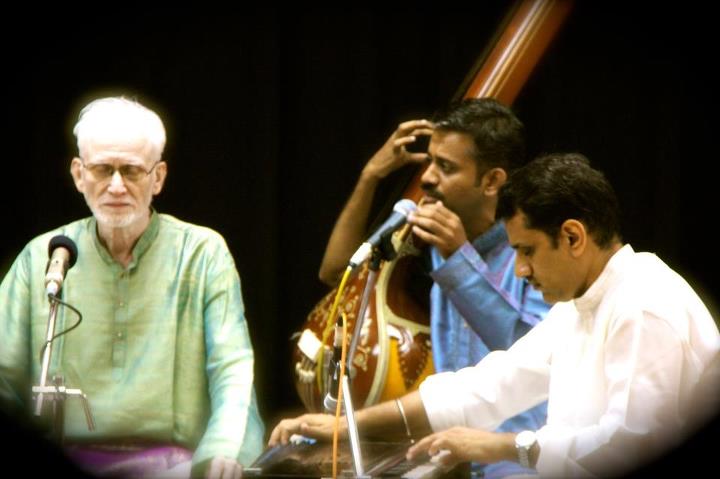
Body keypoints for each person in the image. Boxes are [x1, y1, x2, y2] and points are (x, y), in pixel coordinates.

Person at [270, 153, 720, 477]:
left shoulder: (642, 304)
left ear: (572, 236)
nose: (521, 270)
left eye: (527, 251)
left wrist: (500, 446)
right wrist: (347, 425)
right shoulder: (583, 302)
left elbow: (630, 448)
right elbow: (490, 385)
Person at [0, 96, 264, 478]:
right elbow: (4, 374)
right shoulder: (42, 257)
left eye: (132, 171)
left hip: (176, 465)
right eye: (103, 169)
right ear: (78, 174)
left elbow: (232, 368)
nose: (117, 186)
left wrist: (220, 453)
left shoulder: (202, 253)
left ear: (158, 177)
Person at [318, 98, 550, 477]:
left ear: (492, 181)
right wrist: (370, 176)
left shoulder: (532, 250)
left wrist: (460, 260)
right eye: (429, 161)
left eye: (445, 167)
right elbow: (337, 273)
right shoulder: (437, 236)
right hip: (453, 458)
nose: (426, 177)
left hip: (522, 459)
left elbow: (534, 357)